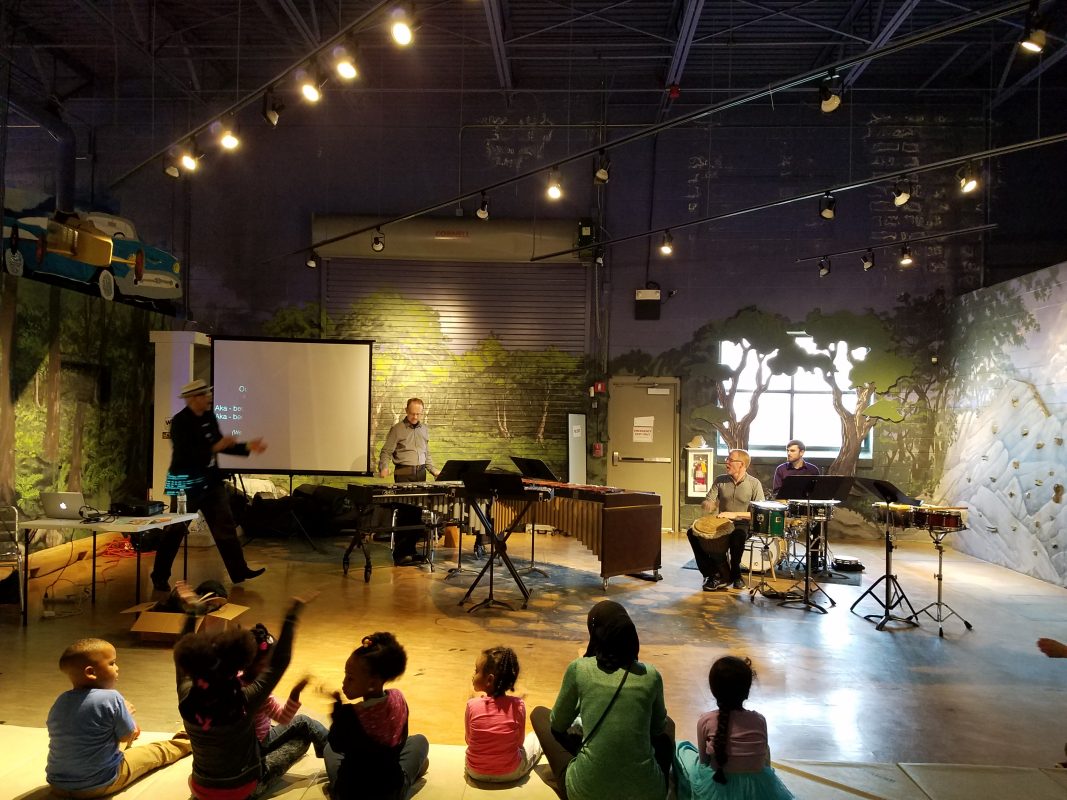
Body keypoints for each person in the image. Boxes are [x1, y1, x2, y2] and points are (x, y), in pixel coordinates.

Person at [174, 587, 314, 800]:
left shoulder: (186, 695)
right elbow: (279, 663)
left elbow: (181, 652)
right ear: (238, 664)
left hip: (201, 786)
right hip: (240, 789)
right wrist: (291, 617)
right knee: (302, 739)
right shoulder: (243, 700)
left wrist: (192, 613)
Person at [531, 600, 674, 800]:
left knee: (539, 714)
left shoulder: (579, 668)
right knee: (669, 726)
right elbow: (658, 729)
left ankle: (586, 767)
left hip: (586, 793)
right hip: (648, 793)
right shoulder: (651, 675)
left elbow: (558, 723)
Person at [151, 379, 268, 592]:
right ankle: (159, 576)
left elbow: (220, 445)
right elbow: (188, 454)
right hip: (185, 484)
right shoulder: (180, 422)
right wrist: (216, 445)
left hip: (211, 482)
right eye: (204, 395)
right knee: (175, 531)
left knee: (225, 527)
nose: (209, 398)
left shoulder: (209, 417)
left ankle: (239, 571)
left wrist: (247, 447)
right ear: (194, 398)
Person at [46, 638, 192, 797]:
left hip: (57, 784)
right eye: (112, 663)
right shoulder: (112, 698)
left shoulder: (61, 700)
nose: (117, 668)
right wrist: (127, 715)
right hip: (99, 784)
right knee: (156, 752)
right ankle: (188, 738)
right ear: (91, 672)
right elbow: (127, 736)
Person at [325, 631, 430, 800]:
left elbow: (337, 743)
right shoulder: (398, 698)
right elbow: (402, 739)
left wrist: (337, 712)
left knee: (329, 749)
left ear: (372, 683)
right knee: (420, 741)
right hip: (391, 790)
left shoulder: (348, 716)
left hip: (349, 793)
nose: (343, 682)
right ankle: (411, 771)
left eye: (350, 678)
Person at [673, 656, 795, 800]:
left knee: (681, 747)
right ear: (747, 691)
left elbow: (703, 763)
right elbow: (764, 761)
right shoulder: (760, 721)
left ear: (713, 690)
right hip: (757, 790)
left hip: (717, 788)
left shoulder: (705, 721)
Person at [243, 623, 329, 759]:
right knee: (303, 721)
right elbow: (283, 718)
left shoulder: (235, 681)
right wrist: (296, 690)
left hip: (241, 744)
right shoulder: (260, 693)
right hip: (258, 744)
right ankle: (337, 751)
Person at [688, 449, 765, 591]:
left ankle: (735, 573)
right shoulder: (720, 480)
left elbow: (759, 513)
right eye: (727, 459)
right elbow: (709, 500)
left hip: (743, 524)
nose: (726, 462)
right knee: (691, 532)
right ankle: (712, 573)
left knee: (738, 535)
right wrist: (708, 504)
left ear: (741, 464)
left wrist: (734, 515)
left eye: (730, 459)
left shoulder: (754, 484)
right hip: (722, 522)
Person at [465, 645, 543, 783]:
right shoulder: (518, 705)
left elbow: (469, 740)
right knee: (535, 738)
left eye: (476, 671)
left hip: (475, 772)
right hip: (511, 773)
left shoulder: (472, 705)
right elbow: (519, 743)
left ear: (489, 680)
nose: (473, 675)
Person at [377, 397, 440, 565]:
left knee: (417, 514)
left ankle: (412, 551)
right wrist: (383, 467)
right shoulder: (397, 429)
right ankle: (401, 554)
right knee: (405, 513)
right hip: (404, 473)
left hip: (420, 474)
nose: (415, 417)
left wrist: (434, 471)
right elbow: (386, 451)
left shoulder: (424, 429)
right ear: (406, 411)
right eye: (412, 413)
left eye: (418, 414)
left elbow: (427, 455)